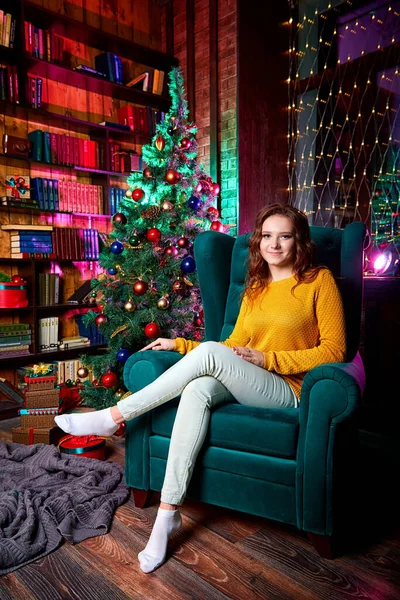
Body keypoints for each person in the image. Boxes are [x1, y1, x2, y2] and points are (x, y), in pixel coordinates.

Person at [55, 203, 346, 573]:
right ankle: (167, 514)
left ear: (299, 241)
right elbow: (229, 346)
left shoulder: (318, 281)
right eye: (268, 236)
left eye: (284, 236)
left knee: (208, 361)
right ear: (259, 241)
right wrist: (178, 345)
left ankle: (115, 416)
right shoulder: (256, 286)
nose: (275, 245)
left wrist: (268, 359)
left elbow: (335, 350)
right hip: (253, 378)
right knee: (197, 390)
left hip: (291, 389)